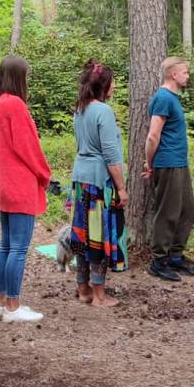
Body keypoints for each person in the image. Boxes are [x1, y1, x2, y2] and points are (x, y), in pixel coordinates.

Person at [0, 55, 53, 323]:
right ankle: (13, 308)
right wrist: (44, 174)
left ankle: (0, 301)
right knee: (18, 248)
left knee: (6, 246)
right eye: (25, 76)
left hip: (5, 183)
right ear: (18, 77)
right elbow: (28, 147)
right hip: (19, 184)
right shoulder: (15, 104)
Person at [69, 59, 127, 307]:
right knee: (98, 236)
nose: (114, 87)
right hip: (99, 183)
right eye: (112, 83)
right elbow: (111, 155)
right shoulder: (103, 111)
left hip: (80, 179)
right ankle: (100, 296)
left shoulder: (80, 109)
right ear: (103, 85)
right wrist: (122, 188)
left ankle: (83, 289)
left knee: (82, 237)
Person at [143, 57, 194, 282]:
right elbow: (153, 135)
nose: (188, 75)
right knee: (168, 212)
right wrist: (150, 163)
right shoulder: (163, 98)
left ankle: (176, 255)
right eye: (185, 72)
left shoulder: (172, 98)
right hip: (167, 162)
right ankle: (159, 260)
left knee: (187, 209)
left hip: (179, 162)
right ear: (173, 75)